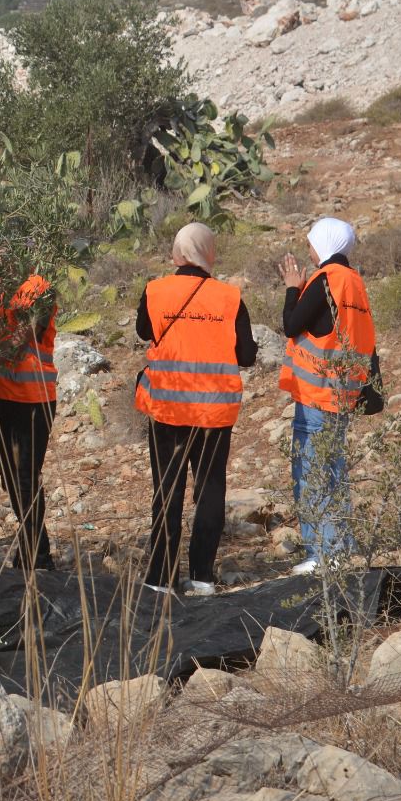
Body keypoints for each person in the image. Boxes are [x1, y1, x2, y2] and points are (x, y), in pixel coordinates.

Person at [134, 223, 258, 596]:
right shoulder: (229, 297)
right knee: (209, 492)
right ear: (209, 253)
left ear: (178, 254)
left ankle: (160, 580)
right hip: (213, 414)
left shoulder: (155, 291)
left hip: (168, 411)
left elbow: (144, 331)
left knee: (166, 492)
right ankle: (202, 577)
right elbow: (247, 356)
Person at [278, 217, 378, 576]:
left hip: (317, 394)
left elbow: (291, 324)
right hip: (343, 393)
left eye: (311, 242)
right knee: (333, 469)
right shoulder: (354, 283)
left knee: (312, 471)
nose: (308, 248)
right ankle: (338, 546)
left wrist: (293, 288)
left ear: (324, 243)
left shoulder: (326, 280)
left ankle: (324, 552)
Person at [0, 270, 60, 571]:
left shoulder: (39, 286)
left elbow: (28, 331)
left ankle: (38, 558)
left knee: (26, 478)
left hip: (34, 399)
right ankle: (31, 551)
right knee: (11, 480)